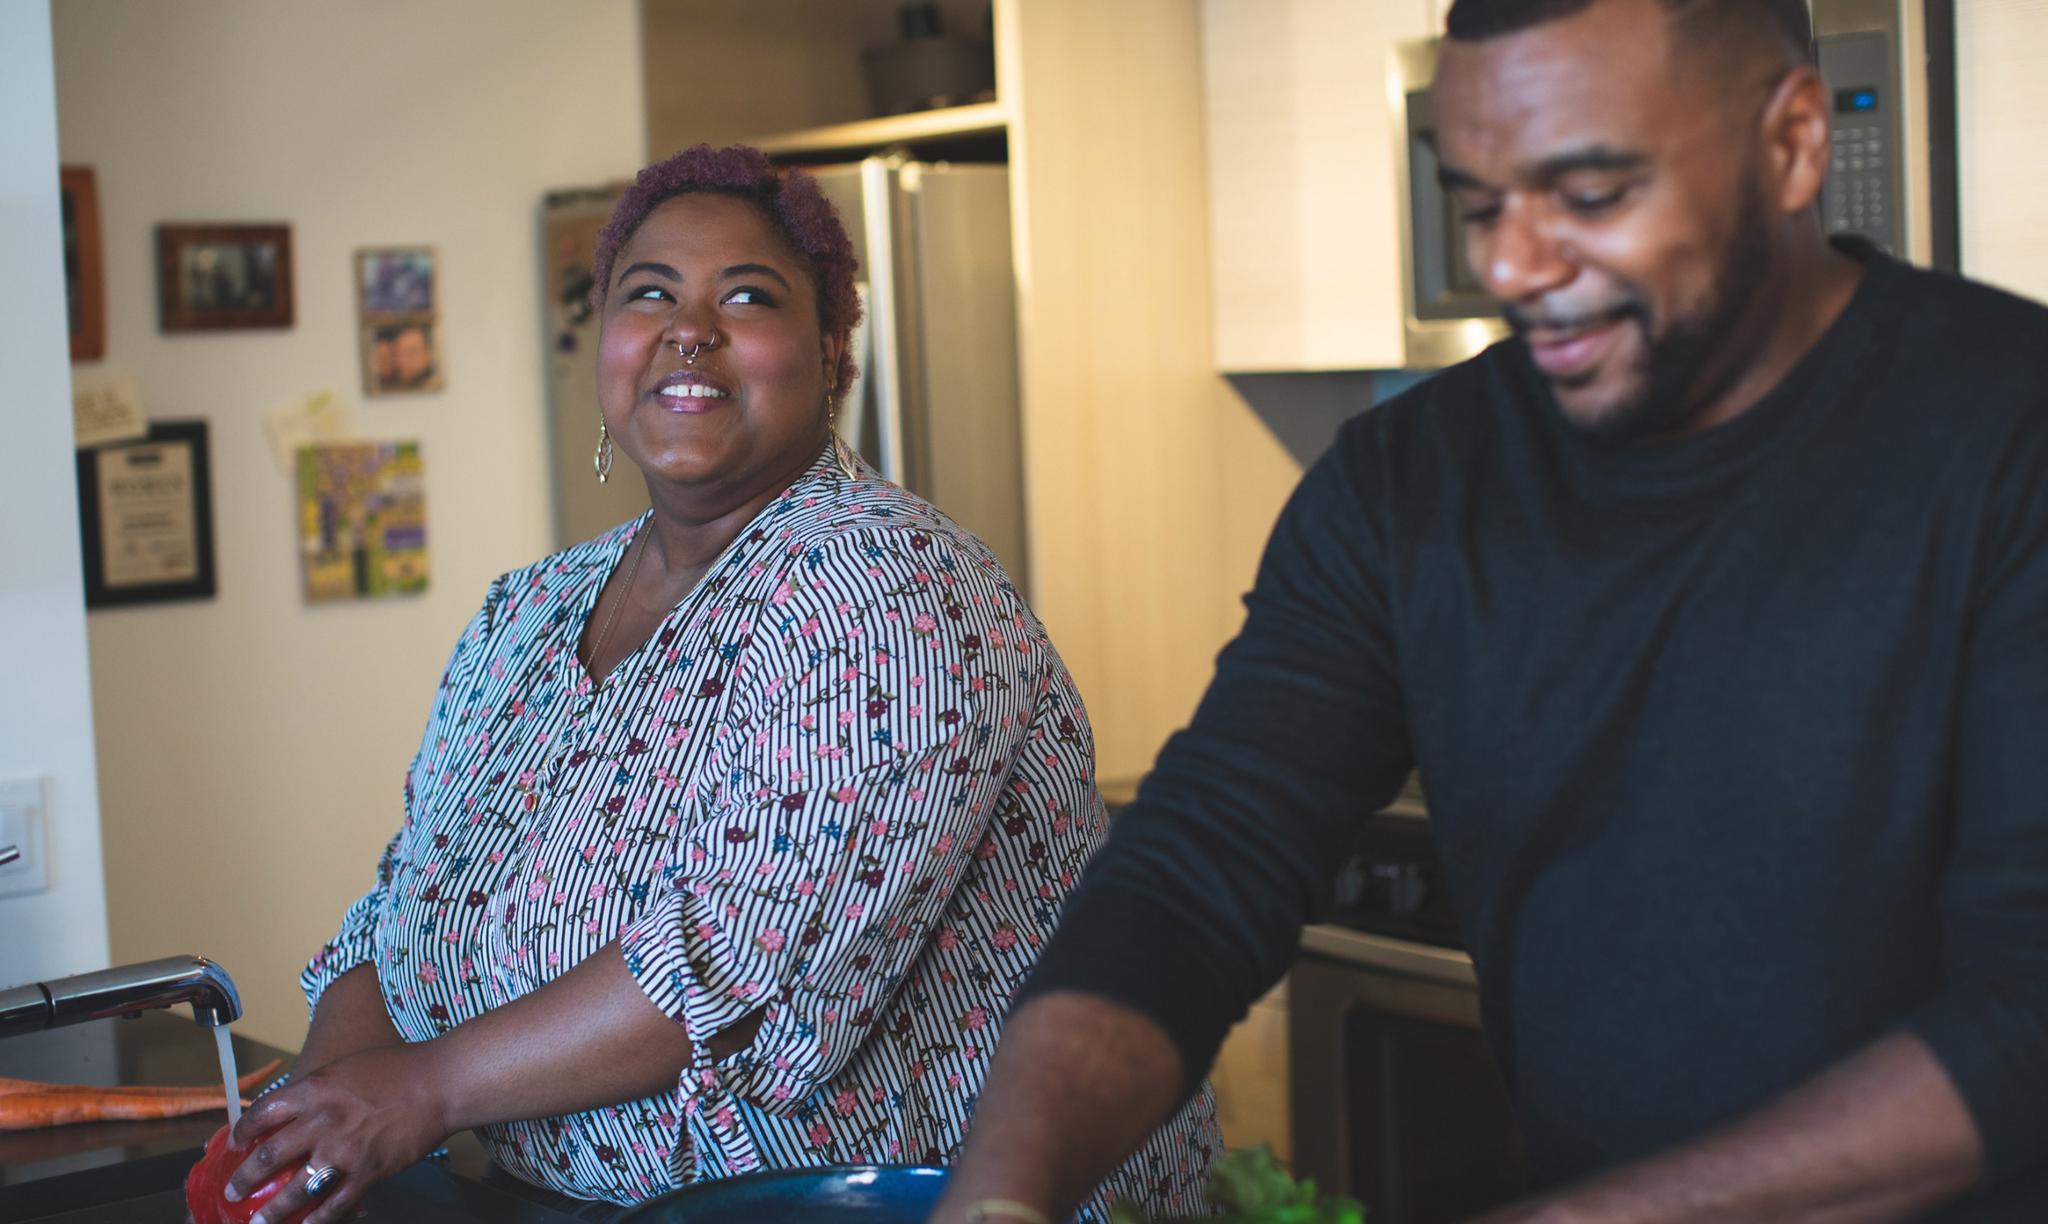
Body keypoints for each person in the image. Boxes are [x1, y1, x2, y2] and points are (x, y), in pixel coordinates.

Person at [933, 1, 2048, 1221]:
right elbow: (1198, 872)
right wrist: (1002, 1196)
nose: (1512, 267)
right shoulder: (1405, 484)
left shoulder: (2008, 434)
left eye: (1587, 195)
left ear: (1787, 143)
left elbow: (2025, 1017)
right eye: (1479, 206)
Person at [222, 144, 1217, 1224]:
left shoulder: (888, 584)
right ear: (605, 345)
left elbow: (736, 963)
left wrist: (422, 1089)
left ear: (832, 354)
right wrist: (328, 1107)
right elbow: (406, 901)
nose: (686, 327)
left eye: (745, 296)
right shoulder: (527, 613)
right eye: (648, 293)